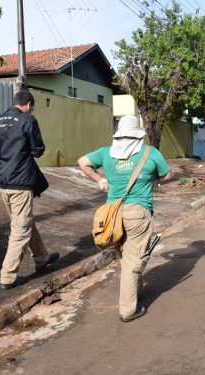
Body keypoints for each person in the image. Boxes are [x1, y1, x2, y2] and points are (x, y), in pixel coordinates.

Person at [78, 115, 172, 322]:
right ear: (138, 135)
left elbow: (83, 162)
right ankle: (128, 309)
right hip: (138, 212)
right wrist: (152, 178)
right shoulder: (150, 153)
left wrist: (100, 179)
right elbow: (167, 175)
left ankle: (136, 292)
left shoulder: (105, 153)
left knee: (126, 257)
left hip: (113, 213)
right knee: (133, 260)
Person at [0, 90, 59, 290]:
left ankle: (42, 258)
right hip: (20, 183)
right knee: (20, 230)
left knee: (25, 221)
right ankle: (7, 277)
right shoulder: (28, 120)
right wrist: (23, 156)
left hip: (4, 181)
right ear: (28, 104)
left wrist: (9, 162)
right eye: (32, 106)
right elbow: (38, 150)